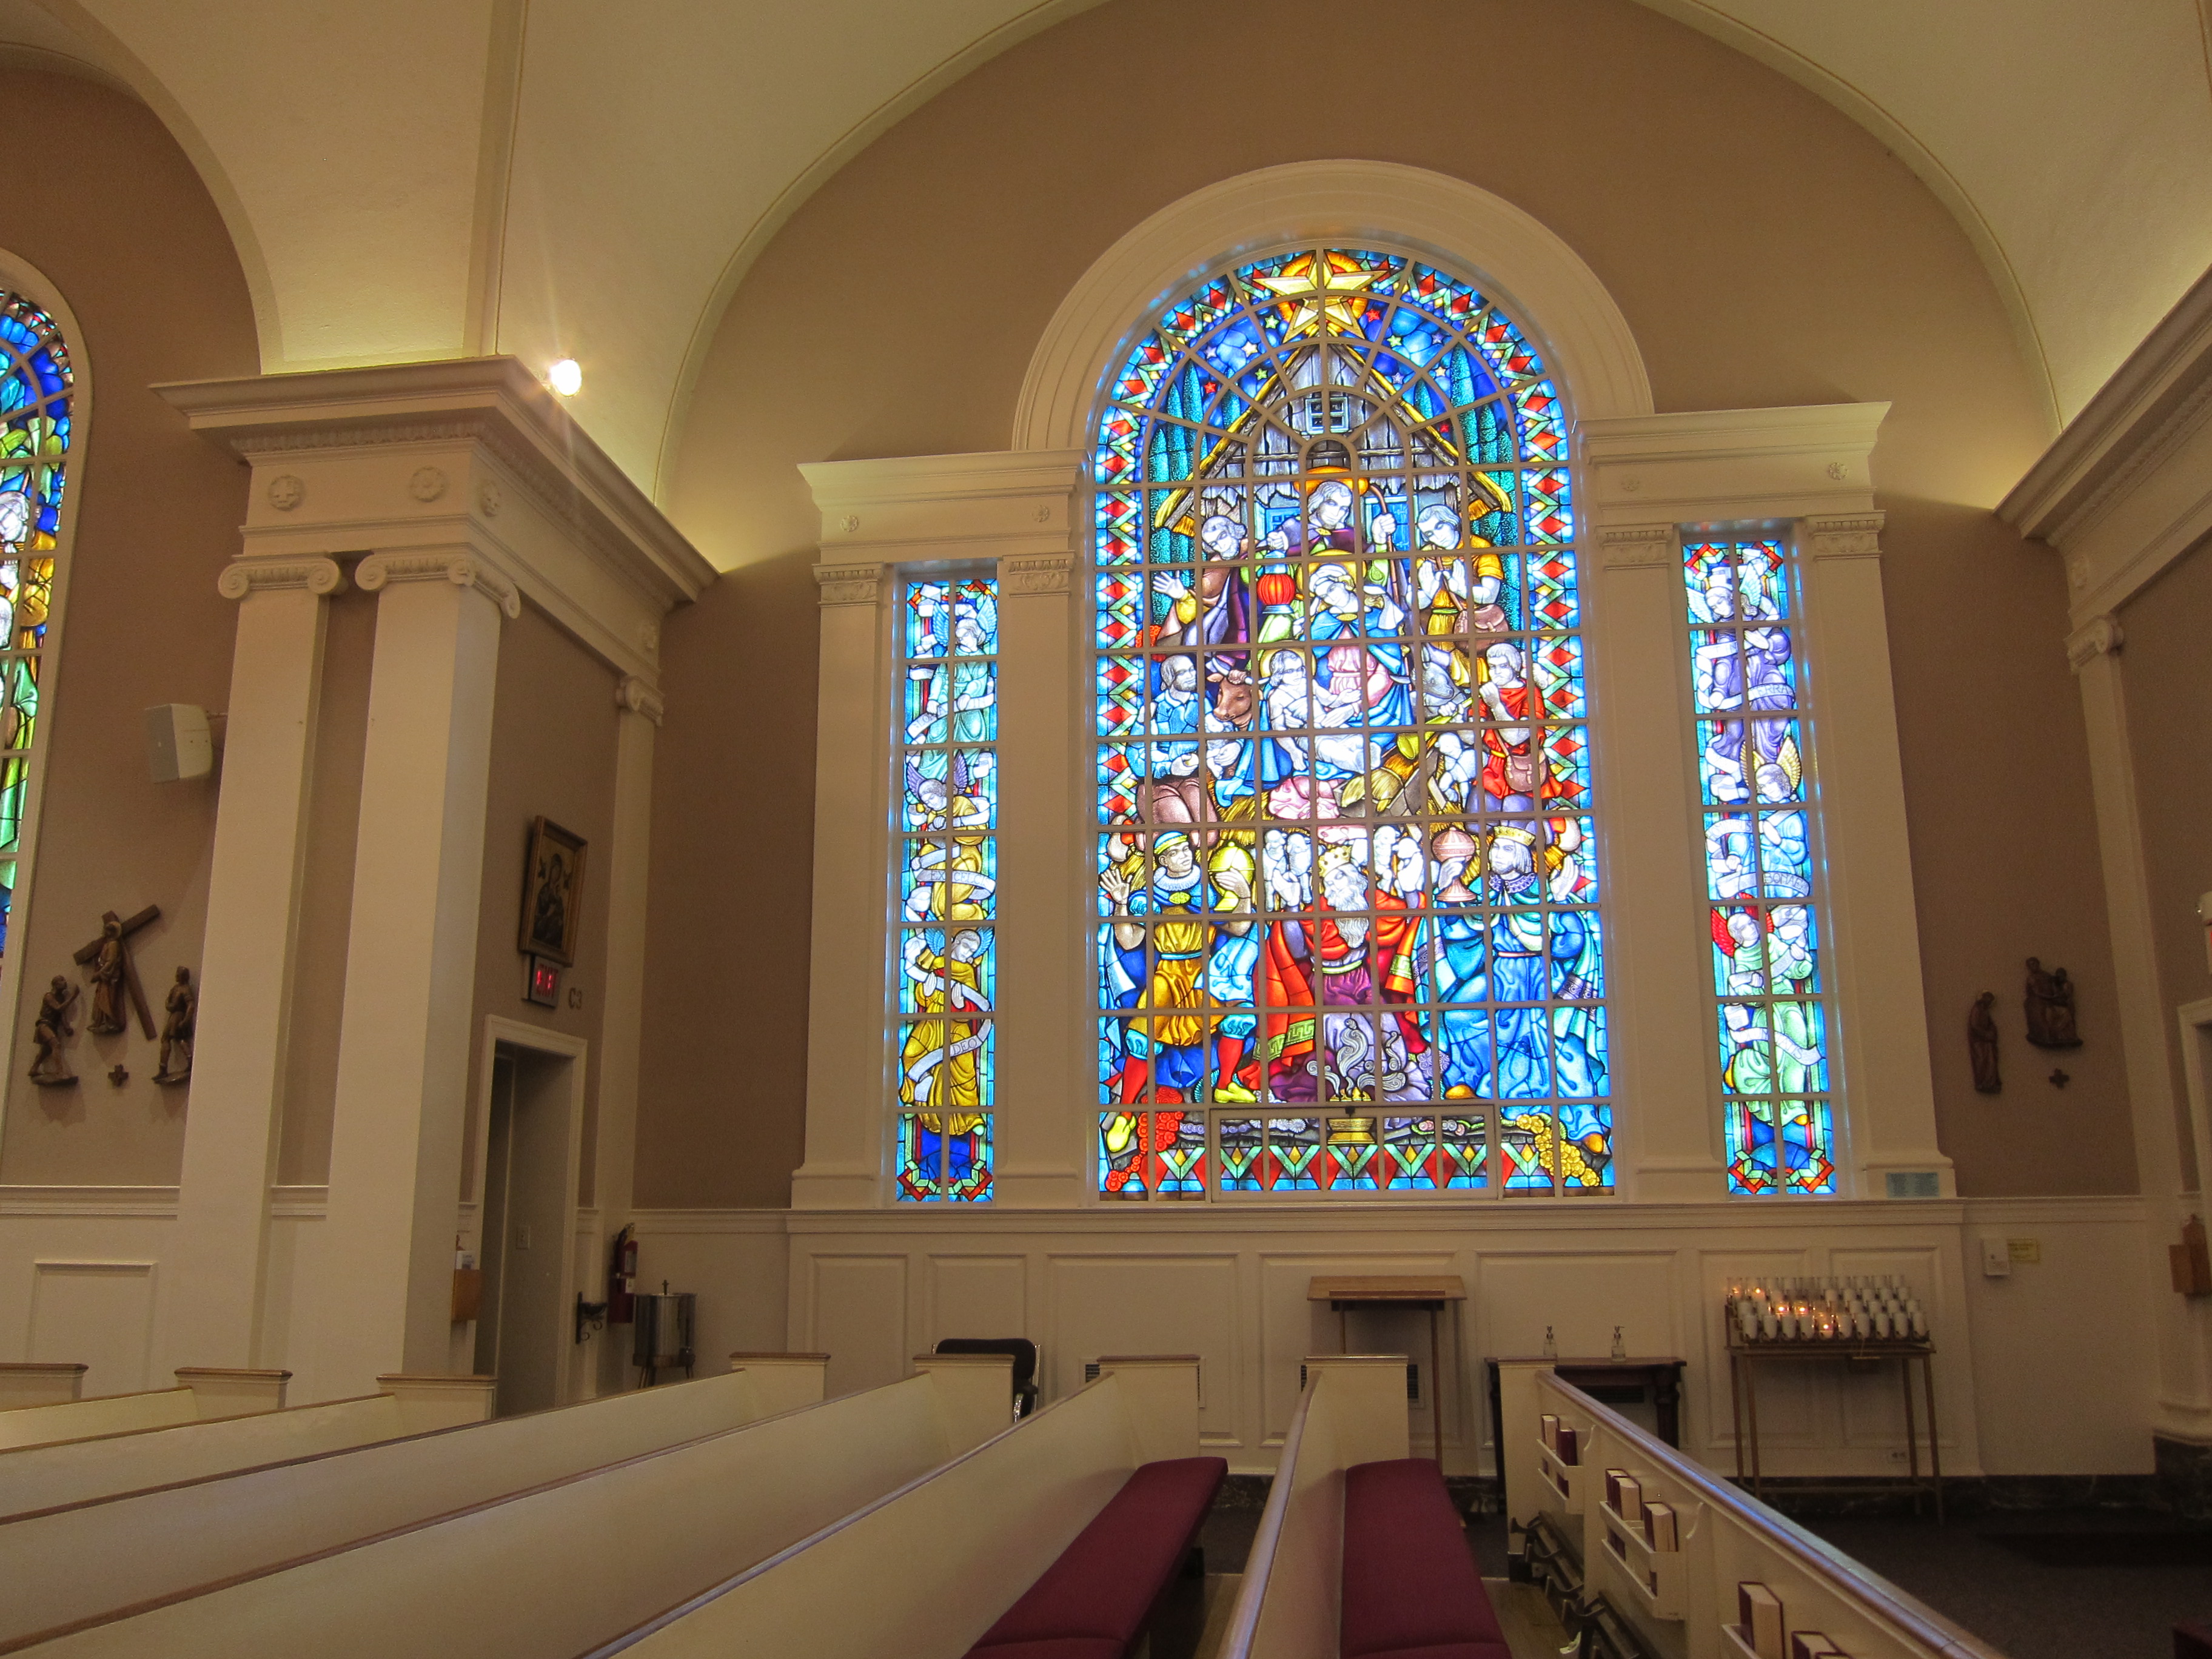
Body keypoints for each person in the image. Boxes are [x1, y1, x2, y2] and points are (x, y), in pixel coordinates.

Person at [87, 917, 127, 1034]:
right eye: (106, 930)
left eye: (109, 930)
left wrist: (100, 973)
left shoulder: (114, 944)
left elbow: (111, 961)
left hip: (110, 977)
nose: (106, 932)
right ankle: (100, 1022)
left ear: (113, 932)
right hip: (104, 977)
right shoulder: (107, 944)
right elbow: (102, 960)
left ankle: (110, 1022)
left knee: (108, 999)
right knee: (100, 998)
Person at [158, 967, 196, 1082]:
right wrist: (169, 1005)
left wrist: (186, 1020)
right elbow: (169, 1001)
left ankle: (190, 1061)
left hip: (178, 1016)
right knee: (166, 1039)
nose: (176, 976)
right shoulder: (175, 988)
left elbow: (191, 1005)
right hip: (173, 1016)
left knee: (180, 1039)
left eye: (179, 975)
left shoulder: (185, 989)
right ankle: (163, 1068)